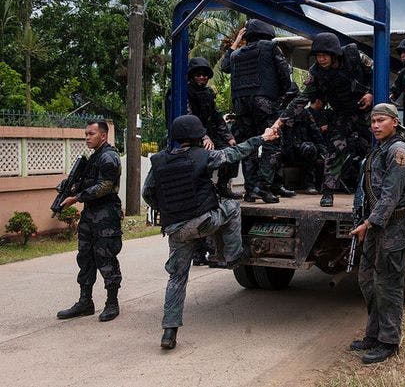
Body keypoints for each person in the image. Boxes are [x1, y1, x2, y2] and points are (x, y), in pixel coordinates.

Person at [142, 114, 279, 350]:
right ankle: (234, 256)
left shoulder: (158, 161)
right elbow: (236, 153)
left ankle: (169, 332)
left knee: (177, 278)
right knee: (233, 207)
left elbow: (148, 193)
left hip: (176, 229)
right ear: (198, 136)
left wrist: (170, 210)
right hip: (203, 222)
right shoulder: (205, 157)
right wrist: (263, 137)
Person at [272, 32, 374, 207]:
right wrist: (280, 121)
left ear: (334, 54)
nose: (321, 59)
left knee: (377, 146)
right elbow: (302, 99)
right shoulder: (316, 73)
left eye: (324, 55)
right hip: (342, 113)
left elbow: (380, 74)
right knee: (335, 148)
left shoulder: (355, 56)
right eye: (318, 56)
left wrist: (371, 93)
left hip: (367, 111)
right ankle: (327, 192)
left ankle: (376, 190)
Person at [350, 103, 405, 364]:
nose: (375, 125)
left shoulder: (398, 151)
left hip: (392, 229)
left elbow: (390, 196)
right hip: (375, 226)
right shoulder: (380, 149)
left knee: (388, 286)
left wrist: (369, 224)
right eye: (373, 121)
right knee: (367, 280)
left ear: (394, 122)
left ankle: (389, 341)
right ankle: (374, 335)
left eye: (381, 120)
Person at [57, 121, 123, 322]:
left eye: (91, 134)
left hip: (106, 216)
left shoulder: (109, 157)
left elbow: (104, 186)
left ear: (103, 135)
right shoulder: (93, 158)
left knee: (106, 258)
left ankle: (112, 303)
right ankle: (85, 302)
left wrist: (76, 198)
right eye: (85, 134)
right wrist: (69, 187)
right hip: (90, 214)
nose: (87, 137)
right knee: (85, 258)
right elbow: (87, 182)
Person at [221, 19, 293, 203]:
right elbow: (285, 74)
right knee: (273, 142)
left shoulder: (236, 55)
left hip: (241, 105)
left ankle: (251, 190)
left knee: (249, 147)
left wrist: (236, 42)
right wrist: (281, 94)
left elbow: (224, 66)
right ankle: (263, 186)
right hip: (265, 102)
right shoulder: (270, 47)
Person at [187, 56, 241, 199]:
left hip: (210, 134)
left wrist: (229, 138)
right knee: (204, 158)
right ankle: (205, 188)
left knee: (233, 153)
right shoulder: (185, 92)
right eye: (198, 75)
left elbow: (217, 117)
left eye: (204, 75)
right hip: (192, 137)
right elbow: (189, 118)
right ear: (192, 76)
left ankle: (222, 186)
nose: (202, 77)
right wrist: (203, 136)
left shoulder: (208, 93)